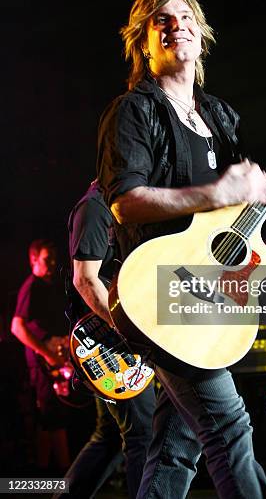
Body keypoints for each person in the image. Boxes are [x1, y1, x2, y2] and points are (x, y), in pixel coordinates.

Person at [96, 0, 266, 499]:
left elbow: (228, 210)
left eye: (185, 18)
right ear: (143, 41)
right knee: (229, 428)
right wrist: (217, 192)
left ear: (201, 35)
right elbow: (125, 200)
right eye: (161, 20)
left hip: (207, 297)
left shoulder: (221, 117)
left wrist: (261, 195)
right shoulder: (134, 112)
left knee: (174, 448)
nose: (175, 26)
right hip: (158, 292)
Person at [58, 179, 156, 498]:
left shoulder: (122, 210)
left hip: (117, 341)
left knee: (111, 437)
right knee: (143, 432)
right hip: (107, 342)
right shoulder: (94, 208)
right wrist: (129, 329)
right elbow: (85, 281)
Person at [11, 239, 71, 475]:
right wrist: (47, 354)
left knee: (52, 416)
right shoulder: (31, 286)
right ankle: (60, 473)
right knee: (51, 414)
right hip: (44, 363)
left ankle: (45, 473)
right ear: (34, 260)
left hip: (57, 357)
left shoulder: (51, 286)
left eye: (54, 258)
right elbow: (17, 327)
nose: (53, 263)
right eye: (47, 259)